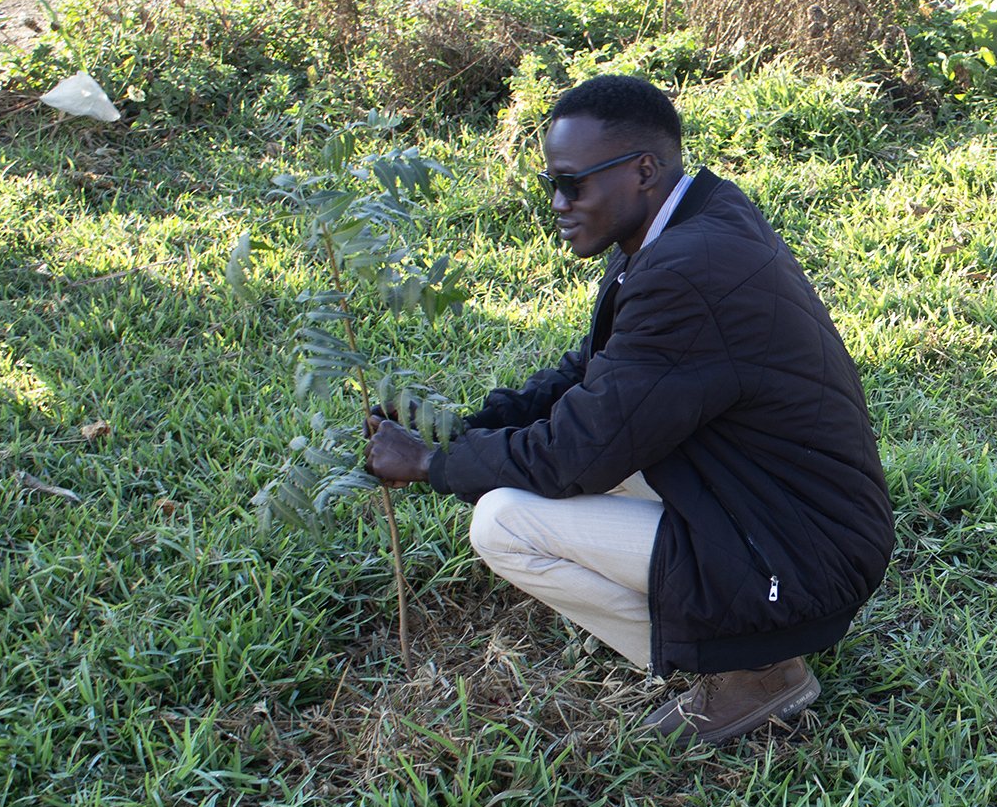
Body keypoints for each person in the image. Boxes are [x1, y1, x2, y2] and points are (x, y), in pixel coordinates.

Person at [364, 73, 894, 745]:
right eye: (550, 184)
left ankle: (753, 670)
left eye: (572, 183)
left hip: (797, 557)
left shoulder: (684, 273)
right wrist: (461, 428)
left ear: (643, 169)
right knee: (568, 464)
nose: (558, 203)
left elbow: (570, 456)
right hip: (792, 515)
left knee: (505, 523)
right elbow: (591, 376)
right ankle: (739, 641)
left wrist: (435, 463)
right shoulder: (700, 216)